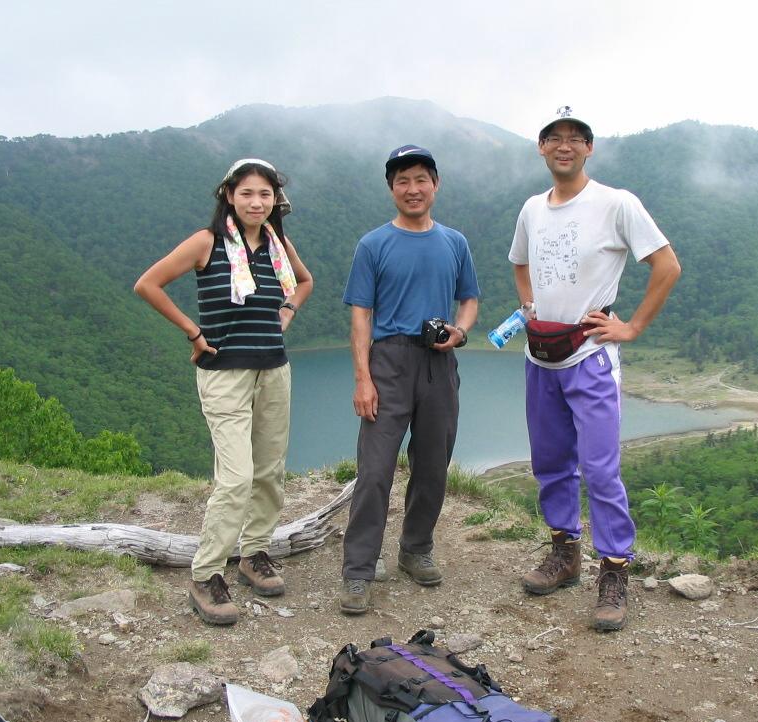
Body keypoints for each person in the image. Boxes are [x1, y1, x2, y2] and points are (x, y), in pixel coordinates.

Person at [508, 106, 681, 631]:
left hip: (590, 357)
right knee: (550, 461)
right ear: (541, 147)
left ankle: (615, 568)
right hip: (541, 355)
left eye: (576, 138)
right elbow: (519, 261)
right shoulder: (532, 209)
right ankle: (565, 554)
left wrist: (632, 327)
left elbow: (667, 265)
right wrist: (530, 306)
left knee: (600, 468)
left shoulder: (616, 203)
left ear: (589, 148)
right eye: (554, 137)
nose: (565, 145)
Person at [134, 159, 313, 626]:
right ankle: (206, 573)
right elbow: (148, 284)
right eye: (247, 193)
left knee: (269, 472)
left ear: (276, 200)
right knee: (236, 478)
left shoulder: (278, 245)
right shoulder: (206, 242)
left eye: (265, 194)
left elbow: (305, 281)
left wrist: (288, 311)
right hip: (224, 374)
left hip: (273, 370)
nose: (256, 202)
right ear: (229, 196)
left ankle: (254, 553)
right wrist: (193, 332)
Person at [339, 145, 480, 615]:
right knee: (375, 469)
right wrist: (363, 378)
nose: (413, 189)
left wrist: (460, 331)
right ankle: (359, 570)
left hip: (439, 361)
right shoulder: (373, 244)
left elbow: (469, 299)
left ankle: (415, 548)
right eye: (403, 181)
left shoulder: (454, 242)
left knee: (433, 464)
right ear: (391, 189)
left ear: (435, 185)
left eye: (421, 179)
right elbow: (361, 316)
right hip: (389, 361)